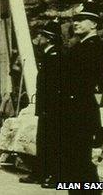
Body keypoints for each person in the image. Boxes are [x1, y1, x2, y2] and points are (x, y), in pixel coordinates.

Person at [61, 0, 103, 194]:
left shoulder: (92, 47)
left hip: (81, 110)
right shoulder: (82, 46)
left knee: (82, 165)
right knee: (76, 165)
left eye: (82, 19)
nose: (76, 23)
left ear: (94, 24)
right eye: (75, 19)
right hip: (76, 109)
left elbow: (81, 83)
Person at [19, 18, 64, 187]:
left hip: (52, 107)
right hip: (46, 106)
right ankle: (40, 173)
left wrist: (47, 107)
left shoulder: (55, 56)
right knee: (43, 140)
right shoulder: (48, 55)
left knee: (51, 141)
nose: (39, 38)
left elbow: (53, 86)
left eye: (42, 36)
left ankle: (52, 175)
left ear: (50, 38)